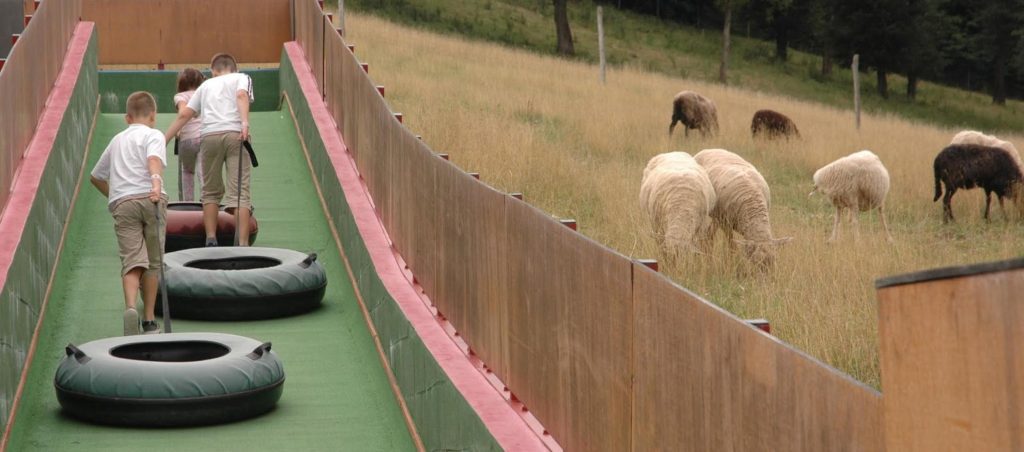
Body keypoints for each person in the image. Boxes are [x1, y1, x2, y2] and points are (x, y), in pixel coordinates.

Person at [90, 91, 167, 335]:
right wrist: (155, 182)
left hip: (123, 202)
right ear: (153, 116)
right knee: (153, 262)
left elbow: (96, 176)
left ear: (127, 118)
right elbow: (153, 159)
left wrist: (115, 195)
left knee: (132, 260)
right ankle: (149, 320)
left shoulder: (116, 140)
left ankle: (131, 307)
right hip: (151, 198)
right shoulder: (154, 134)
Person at [165, 53, 254, 246]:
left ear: (213, 70)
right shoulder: (242, 78)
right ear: (235, 68)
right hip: (235, 134)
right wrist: (244, 122)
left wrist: (164, 139)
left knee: (210, 192)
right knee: (239, 192)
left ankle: (211, 238)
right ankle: (243, 243)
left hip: (209, 136)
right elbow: (241, 95)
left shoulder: (205, 86)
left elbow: (184, 115)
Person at [173, 68, 205, 201]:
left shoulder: (180, 96)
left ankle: (188, 202)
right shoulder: (204, 94)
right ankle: (206, 198)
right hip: (204, 137)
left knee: (187, 171)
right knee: (203, 169)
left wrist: (178, 129)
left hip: (187, 139)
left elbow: (182, 111)